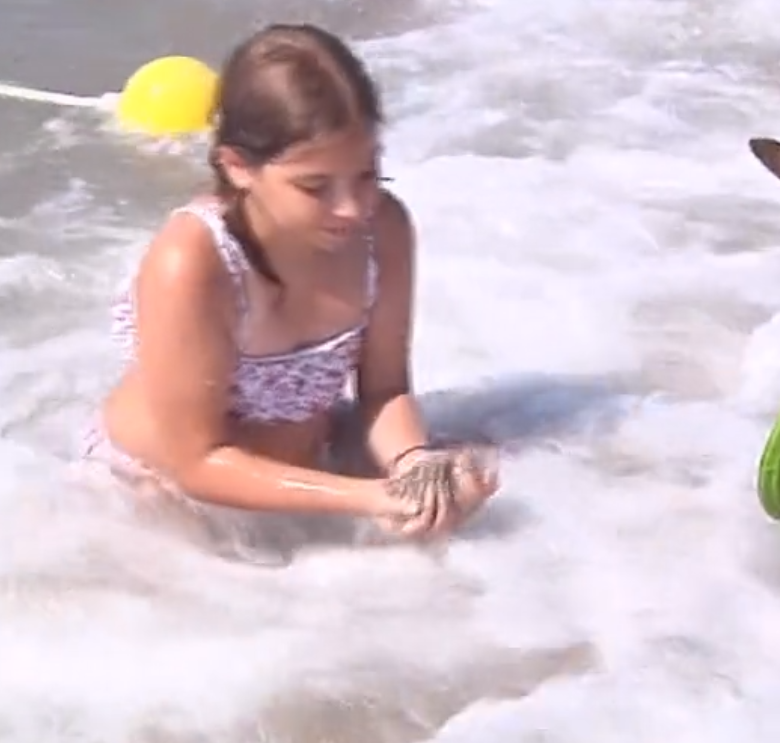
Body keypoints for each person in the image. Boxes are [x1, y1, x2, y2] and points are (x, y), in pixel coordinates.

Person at [83, 22, 497, 543]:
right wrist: (367, 497)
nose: (351, 208)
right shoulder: (194, 260)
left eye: (368, 175)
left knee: (490, 463)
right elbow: (196, 462)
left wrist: (414, 466)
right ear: (237, 167)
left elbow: (385, 390)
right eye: (314, 186)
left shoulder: (383, 228)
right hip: (156, 501)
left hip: (306, 481)